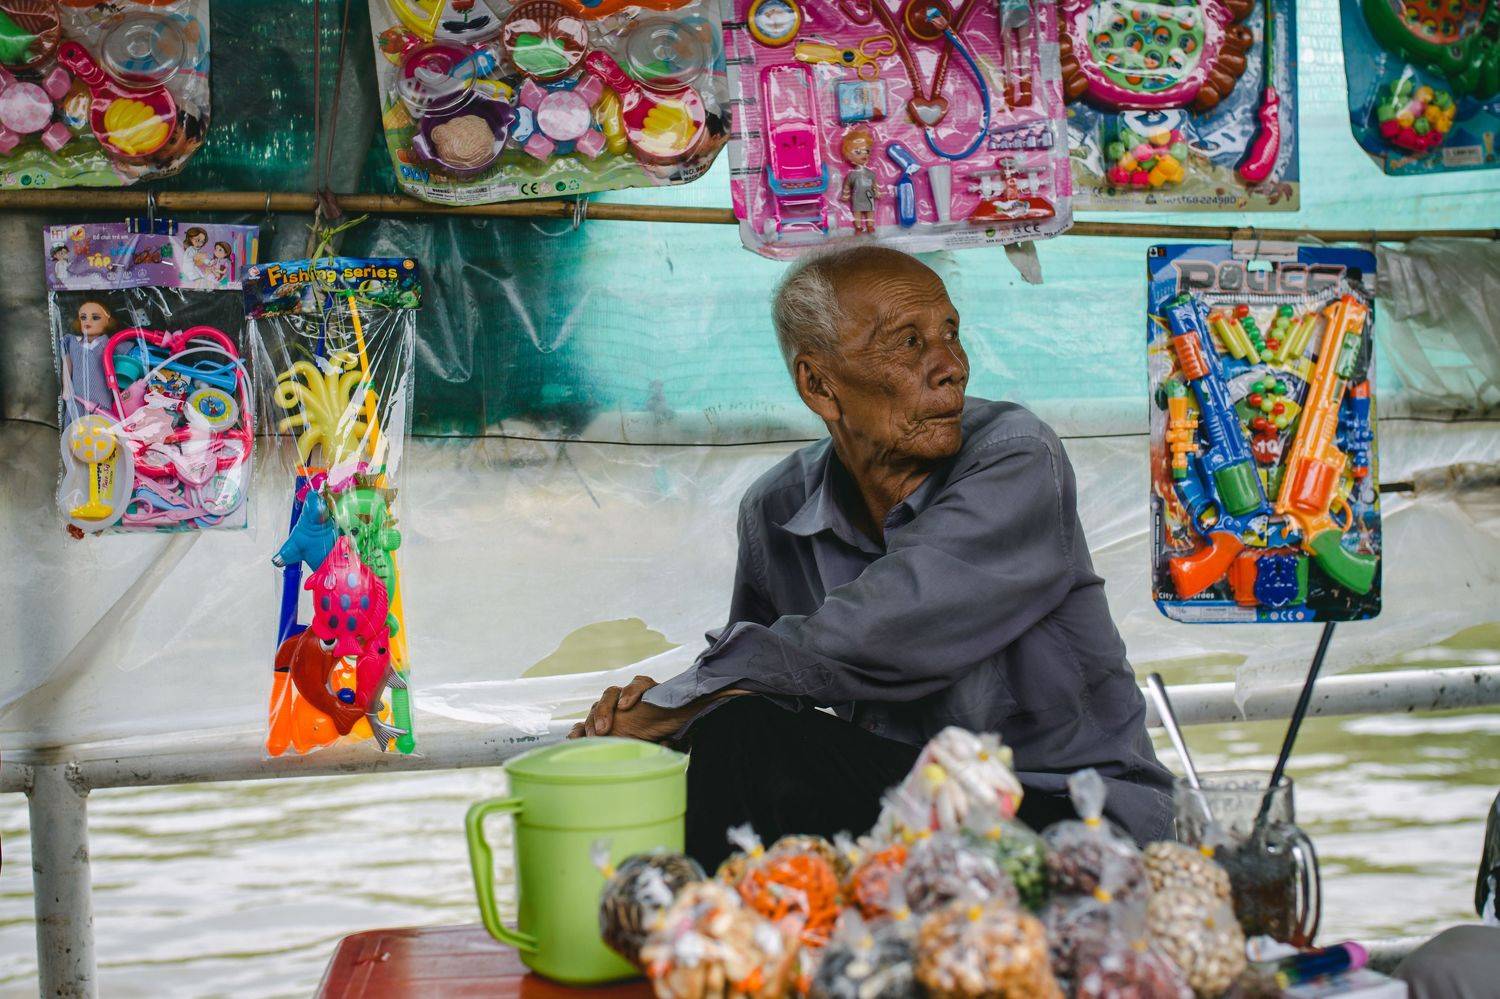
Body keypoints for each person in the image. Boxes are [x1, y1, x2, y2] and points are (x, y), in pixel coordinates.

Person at [571, 246, 1173, 870]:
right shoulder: (776, 510)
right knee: (738, 731)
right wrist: (649, 723)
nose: (952, 367)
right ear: (819, 386)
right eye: (909, 342)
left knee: (743, 735)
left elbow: (883, 630)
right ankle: (711, 927)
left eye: (951, 333)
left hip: (1076, 819)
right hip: (916, 818)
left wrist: (678, 702)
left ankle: (703, 922)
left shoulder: (1016, 456)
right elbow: (756, 678)